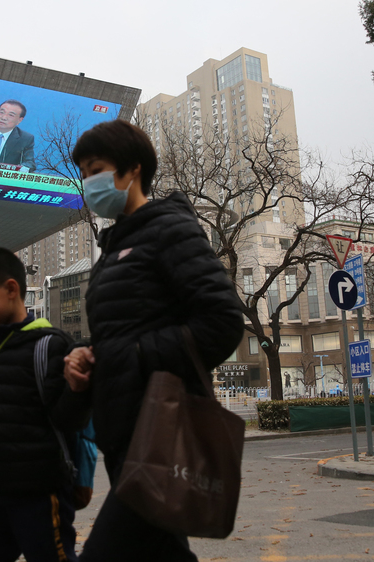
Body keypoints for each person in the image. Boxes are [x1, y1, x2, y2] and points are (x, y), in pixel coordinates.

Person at [63, 120, 244, 561]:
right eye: (84, 172)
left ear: (132, 171)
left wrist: (133, 355)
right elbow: (125, 327)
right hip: (124, 429)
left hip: (159, 428)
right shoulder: (111, 250)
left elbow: (221, 321)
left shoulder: (168, 229)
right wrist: (87, 354)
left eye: (97, 168)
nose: (89, 182)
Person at [0, 247, 83, 562]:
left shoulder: (49, 345)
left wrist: (78, 388)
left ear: (11, 289)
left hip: (39, 497)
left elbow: (69, 420)